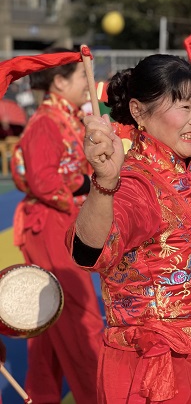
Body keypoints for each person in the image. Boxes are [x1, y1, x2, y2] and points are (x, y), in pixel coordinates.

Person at [66, 54, 191, 404]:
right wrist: (104, 183)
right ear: (138, 111)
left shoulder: (179, 174)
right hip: (156, 375)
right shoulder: (137, 182)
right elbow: (89, 250)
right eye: (184, 107)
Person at [10, 47, 104, 404]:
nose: (88, 84)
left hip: (59, 220)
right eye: (83, 77)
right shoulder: (47, 122)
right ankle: (97, 395)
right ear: (59, 81)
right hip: (50, 224)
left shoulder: (66, 117)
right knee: (80, 317)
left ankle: (42, 394)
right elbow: (45, 182)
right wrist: (85, 187)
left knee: (48, 320)